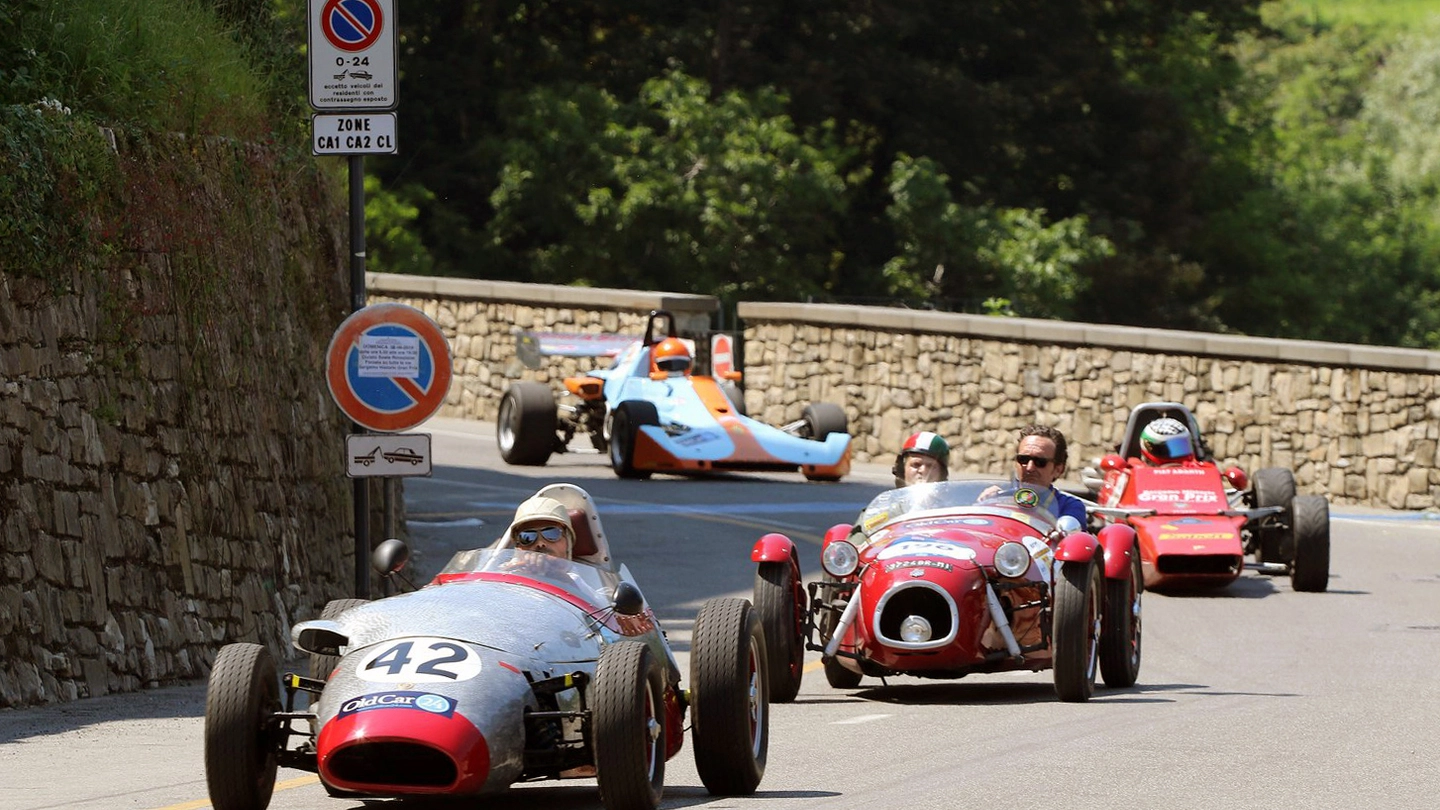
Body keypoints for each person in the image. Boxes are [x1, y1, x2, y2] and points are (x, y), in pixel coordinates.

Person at [1007, 424, 1088, 525]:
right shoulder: (999, 498)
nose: (1029, 468)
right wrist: (986, 501)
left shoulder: (1069, 507)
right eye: (1023, 459)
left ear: (1058, 470)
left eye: (1040, 462)